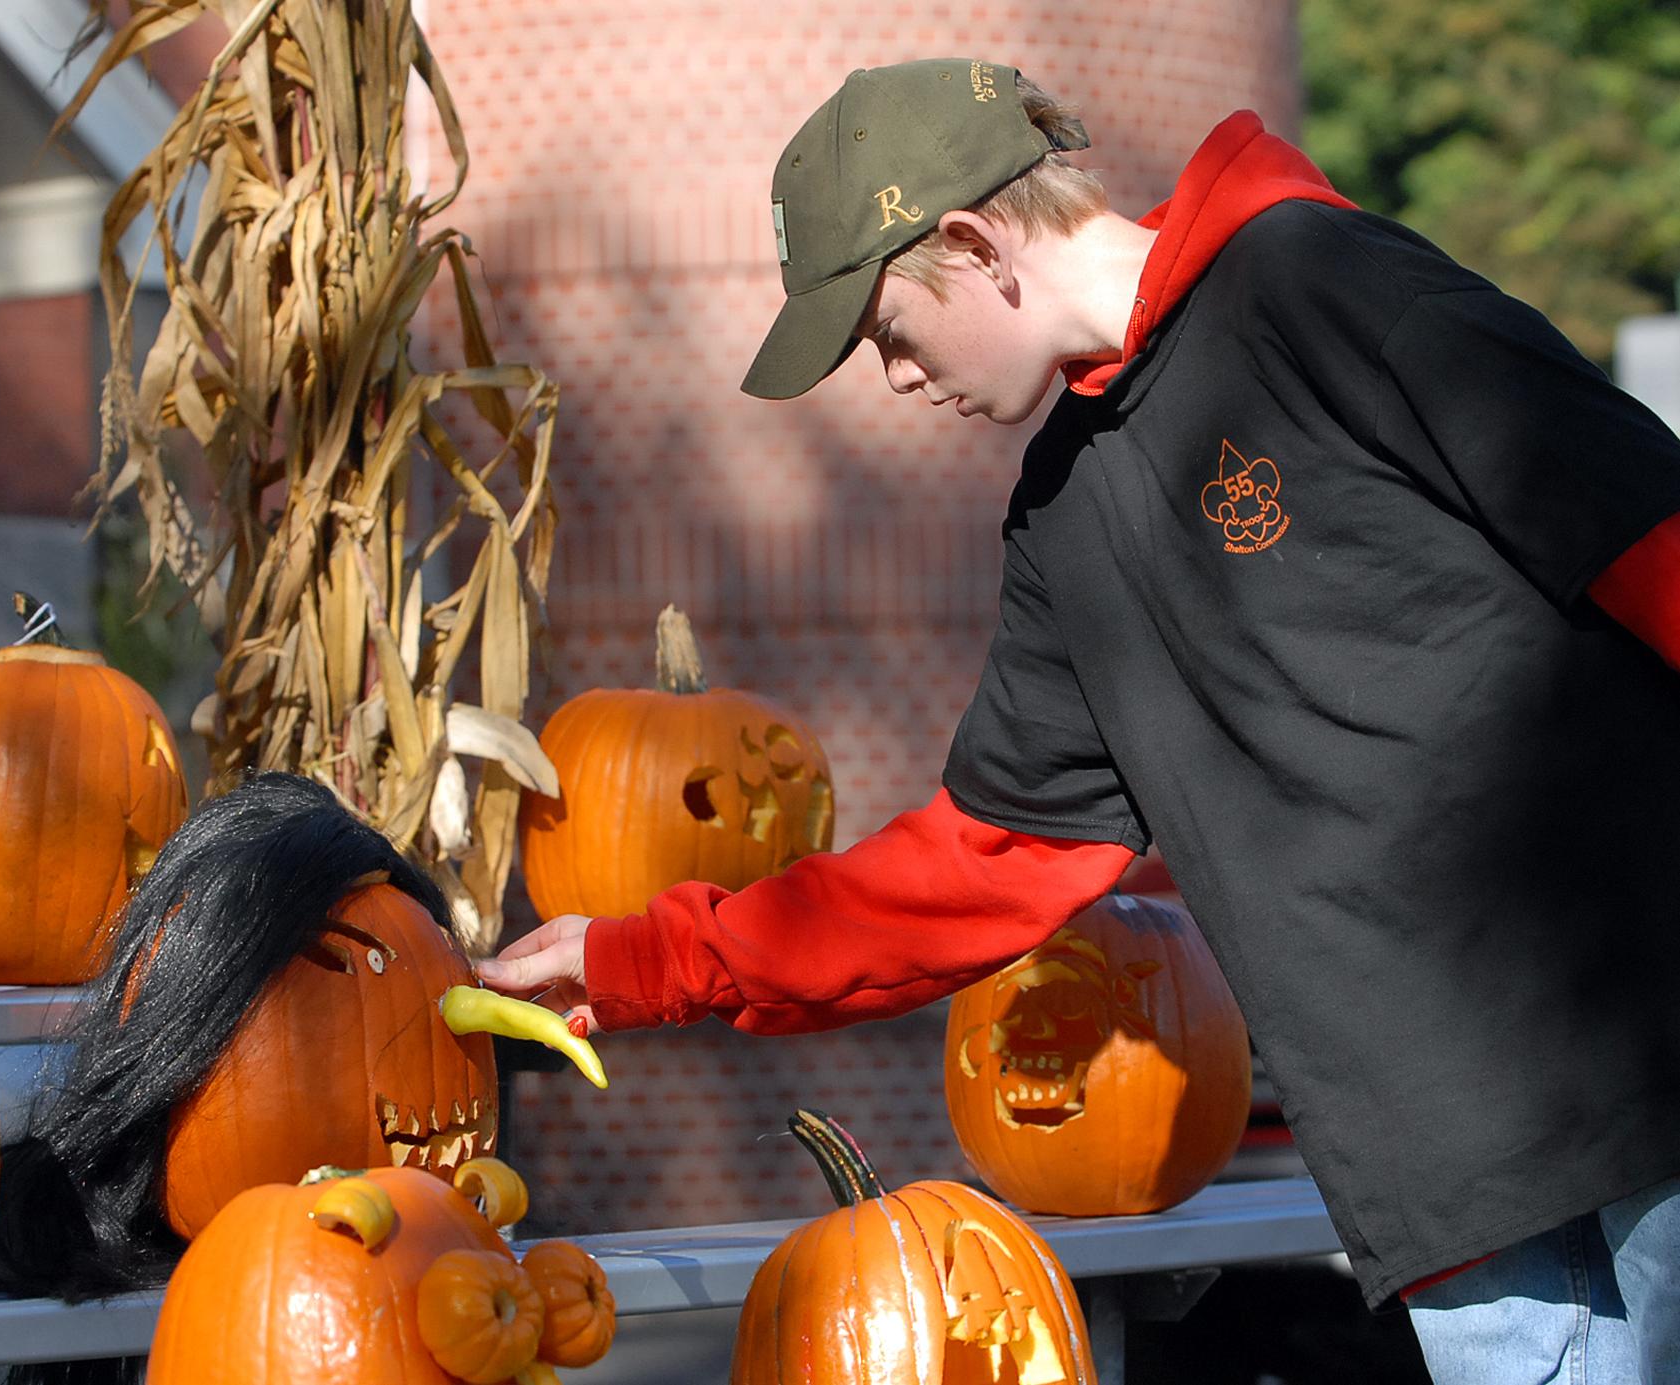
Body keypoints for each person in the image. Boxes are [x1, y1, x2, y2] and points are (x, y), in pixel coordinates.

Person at [475, 58, 1680, 1383]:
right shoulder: (1062, 517)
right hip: (1460, 1171)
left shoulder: (1316, 284)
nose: (889, 376)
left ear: (973, 244)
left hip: (1607, 1085)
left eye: (883, 331)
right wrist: (651, 957)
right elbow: (979, 866)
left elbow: (1649, 543)